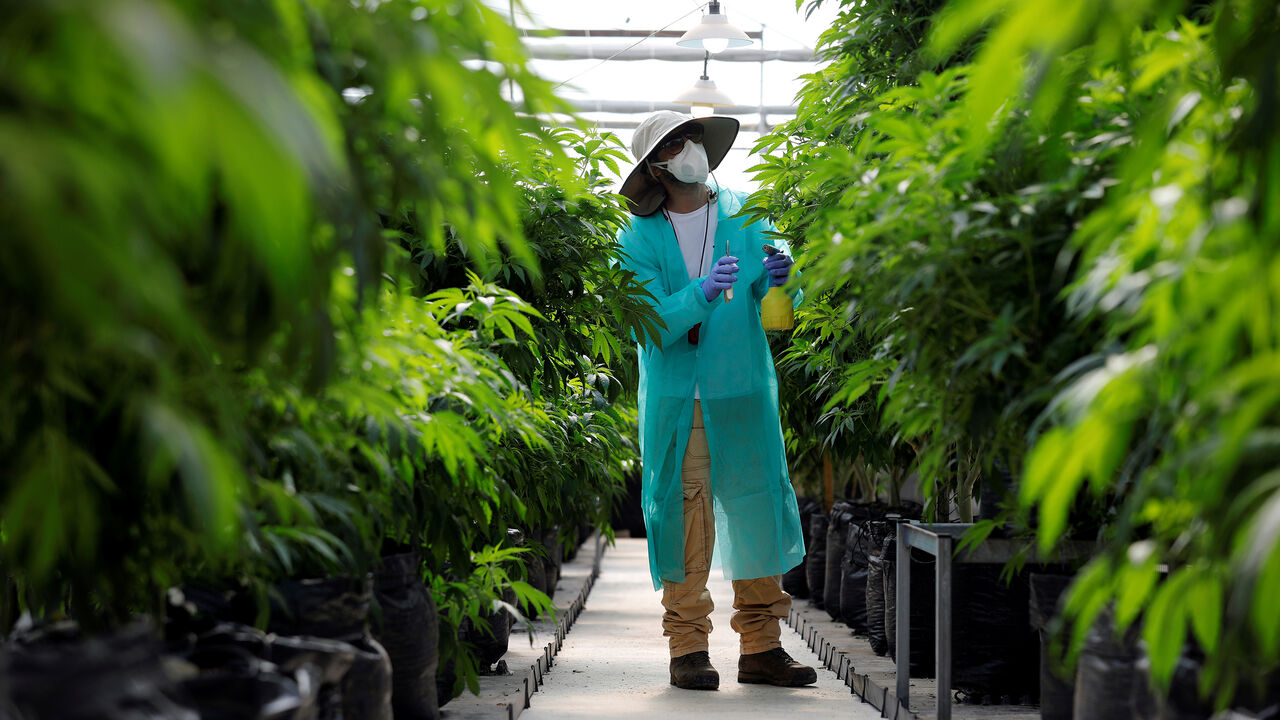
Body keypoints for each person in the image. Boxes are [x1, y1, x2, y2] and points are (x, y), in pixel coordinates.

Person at [615, 110, 815, 691]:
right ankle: (688, 648)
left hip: (741, 389)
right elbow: (645, 322)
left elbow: (778, 298)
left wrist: (784, 275)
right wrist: (698, 295)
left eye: (693, 138)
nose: (689, 149)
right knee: (686, 515)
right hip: (682, 399)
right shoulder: (637, 235)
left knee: (755, 508)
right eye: (675, 144)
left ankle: (762, 647)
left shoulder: (745, 212)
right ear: (656, 165)